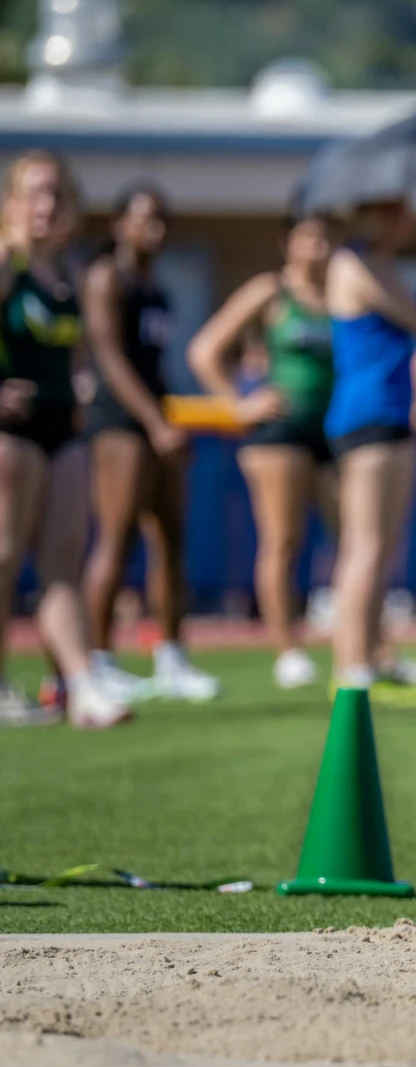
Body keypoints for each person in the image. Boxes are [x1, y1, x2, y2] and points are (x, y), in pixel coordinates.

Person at [323, 187, 416, 702]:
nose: (403, 219)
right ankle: (351, 668)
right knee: (364, 548)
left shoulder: (380, 263)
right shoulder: (354, 262)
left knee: (381, 549)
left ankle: (372, 658)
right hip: (369, 417)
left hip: (392, 417)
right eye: (391, 209)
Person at [187, 195, 339, 689]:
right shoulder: (270, 291)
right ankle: (287, 649)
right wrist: (239, 404)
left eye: (326, 237)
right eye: (309, 237)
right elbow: (204, 350)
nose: (319, 247)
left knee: (354, 538)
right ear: (287, 241)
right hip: (278, 433)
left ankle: (365, 643)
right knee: (283, 540)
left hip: (332, 432)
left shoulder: (340, 294)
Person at [0, 152, 127, 727]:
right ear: (11, 203)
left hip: (62, 429)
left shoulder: (71, 275)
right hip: (12, 433)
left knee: (63, 560)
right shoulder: (8, 265)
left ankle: (81, 686)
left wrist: (81, 382)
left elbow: (79, 350)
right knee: (4, 558)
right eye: (35, 193)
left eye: (58, 194)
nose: (46, 206)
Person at [79, 184, 217, 704]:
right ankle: (98, 661)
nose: (155, 230)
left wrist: (170, 419)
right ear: (120, 224)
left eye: (161, 220)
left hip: (157, 421)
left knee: (171, 540)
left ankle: (172, 657)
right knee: (116, 540)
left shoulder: (157, 287)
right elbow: (111, 359)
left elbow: (154, 366)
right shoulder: (106, 277)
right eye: (144, 219)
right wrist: (155, 422)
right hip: (120, 424)